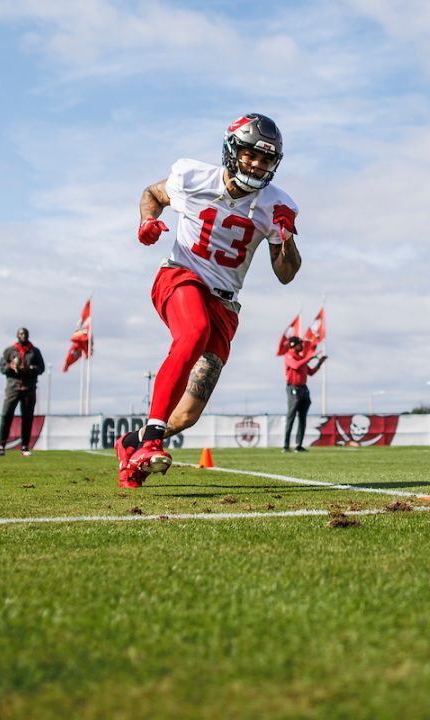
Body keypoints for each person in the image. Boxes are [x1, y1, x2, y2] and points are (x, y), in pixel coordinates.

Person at [117, 113, 303, 488]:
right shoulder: (193, 176)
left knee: (186, 415)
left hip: (225, 303)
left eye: (266, 159)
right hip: (180, 275)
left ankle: (131, 445)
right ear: (233, 150)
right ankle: (151, 440)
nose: (257, 164)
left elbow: (286, 274)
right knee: (194, 331)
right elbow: (153, 193)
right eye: (251, 154)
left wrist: (286, 236)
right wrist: (146, 221)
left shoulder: (275, 205)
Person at [0, 327, 45, 457]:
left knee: (27, 418)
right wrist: (11, 366)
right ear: (17, 335)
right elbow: (3, 368)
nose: (23, 335)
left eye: (25, 333)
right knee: (6, 415)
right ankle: (1, 446)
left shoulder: (34, 351)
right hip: (13, 388)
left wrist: (30, 369)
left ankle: (25, 447)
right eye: (21, 333)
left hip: (29, 389)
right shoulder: (9, 351)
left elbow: (41, 368)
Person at [282, 336, 326, 452]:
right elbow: (296, 365)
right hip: (293, 389)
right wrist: (309, 358)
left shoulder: (301, 358)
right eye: (299, 344)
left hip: (304, 390)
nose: (301, 346)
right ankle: (286, 446)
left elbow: (310, 372)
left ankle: (298, 445)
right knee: (291, 418)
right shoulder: (289, 356)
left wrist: (319, 363)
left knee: (302, 418)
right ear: (293, 345)